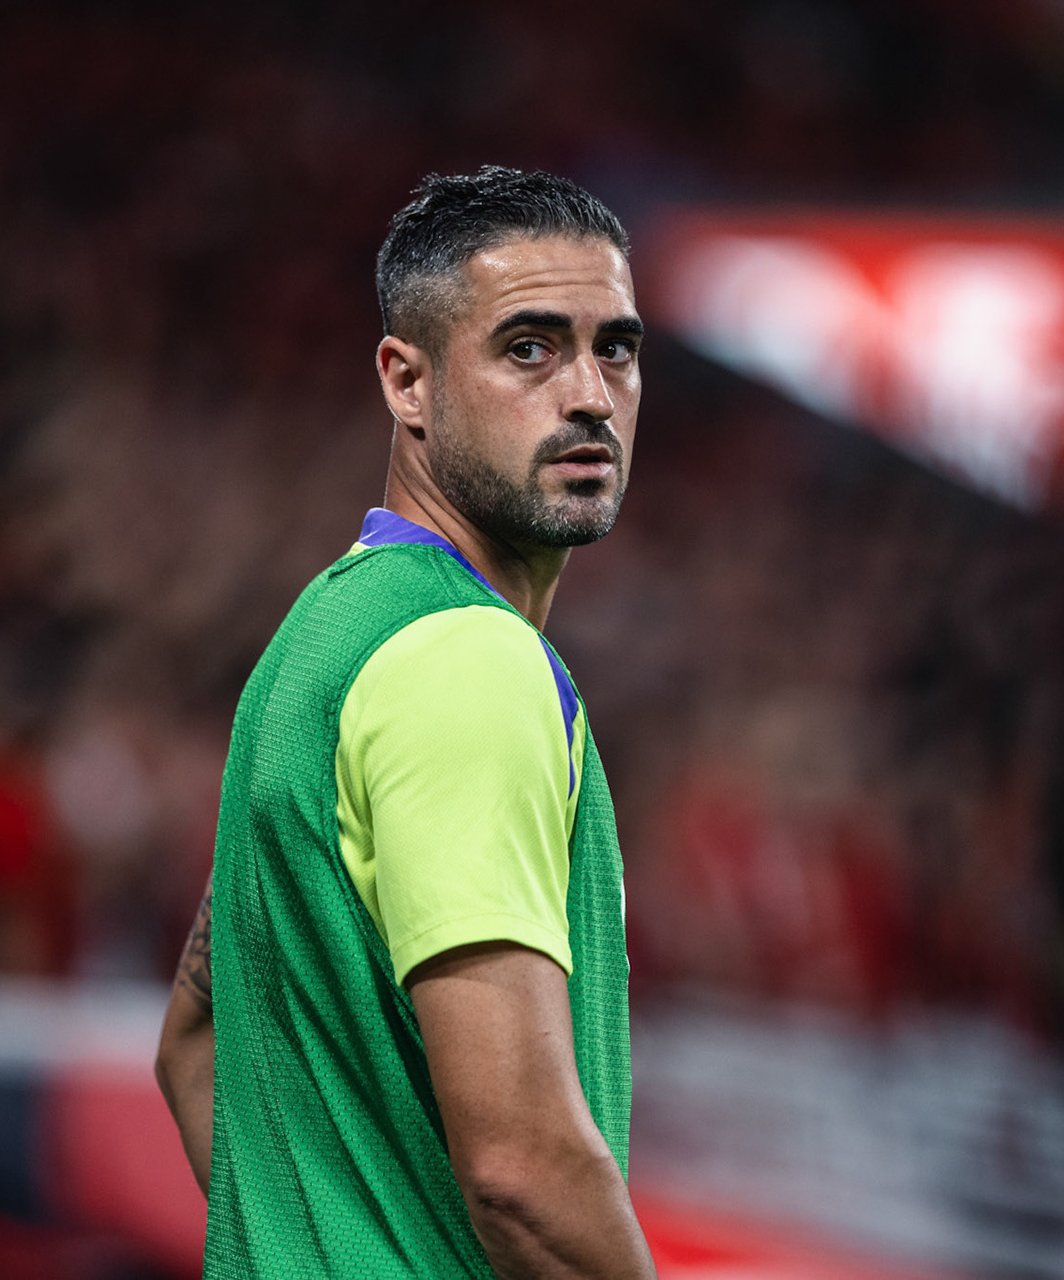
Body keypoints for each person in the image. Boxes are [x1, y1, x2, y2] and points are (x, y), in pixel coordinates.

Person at [155, 166, 654, 1279]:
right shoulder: (467, 664)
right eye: (529, 347)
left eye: (614, 346)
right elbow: (523, 1169)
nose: (587, 393)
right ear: (407, 382)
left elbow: (192, 1043)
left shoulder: (326, 640)